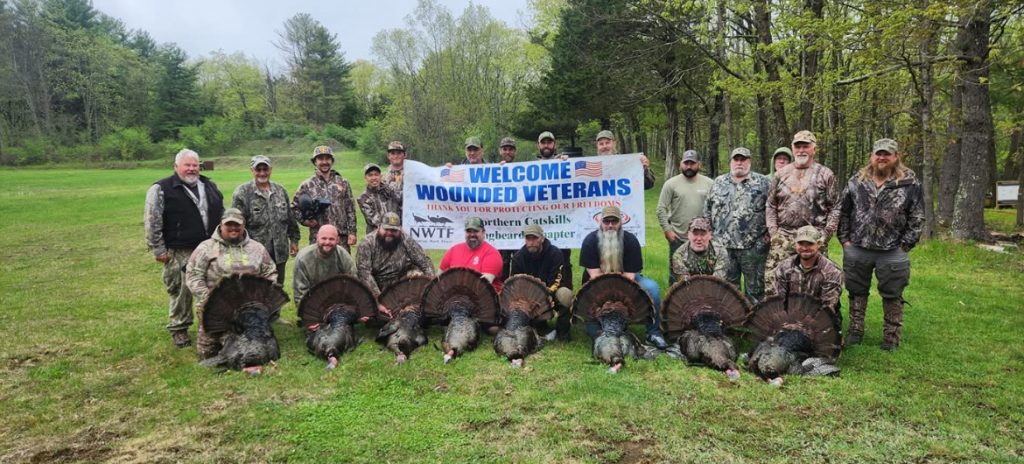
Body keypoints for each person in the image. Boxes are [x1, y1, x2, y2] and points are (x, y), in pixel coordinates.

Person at [838, 138, 923, 350]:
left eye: (887, 154)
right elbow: (843, 211)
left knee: (893, 293)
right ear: (872, 156)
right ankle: (856, 330)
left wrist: (906, 245)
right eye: (878, 153)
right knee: (856, 291)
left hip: (892, 249)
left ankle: (891, 336)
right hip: (858, 247)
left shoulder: (909, 182)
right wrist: (845, 240)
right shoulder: (857, 180)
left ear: (896, 157)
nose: (882, 157)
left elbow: (917, 216)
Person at [144, 148, 225, 348]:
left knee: (212, 286)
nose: (191, 169)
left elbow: (221, 213)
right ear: (176, 167)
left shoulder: (209, 186)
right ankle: (179, 328)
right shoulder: (162, 189)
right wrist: (158, 249)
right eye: (187, 165)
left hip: (208, 247)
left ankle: (212, 324)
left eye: (194, 165)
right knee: (181, 290)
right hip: (180, 250)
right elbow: (152, 220)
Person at [185, 208, 277, 359]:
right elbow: (193, 276)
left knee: (253, 352)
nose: (233, 228)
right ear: (221, 225)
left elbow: (270, 272)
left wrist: (263, 298)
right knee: (207, 354)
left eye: (237, 225)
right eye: (229, 224)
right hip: (214, 310)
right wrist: (209, 299)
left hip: (248, 308)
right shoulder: (206, 248)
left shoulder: (257, 248)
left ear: (243, 225)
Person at [578, 205, 667, 349]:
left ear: (621, 222)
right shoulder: (590, 241)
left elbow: (629, 278)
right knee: (595, 332)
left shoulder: (631, 241)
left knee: (652, 288)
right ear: (600, 222)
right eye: (607, 222)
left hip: (625, 281)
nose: (610, 225)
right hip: (596, 286)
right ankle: (597, 324)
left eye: (614, 221)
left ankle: (654, 332)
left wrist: (619, 299)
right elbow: (594, 277)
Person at [765, 130, 840, 295]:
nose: (801, 150)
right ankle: (775, 318)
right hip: (784, 237)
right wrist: (773, 232)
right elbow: (770, 205)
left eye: (805, 146)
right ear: (792, 148)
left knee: (815, 284)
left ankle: (817, 318)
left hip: (814, 238)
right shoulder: (780, 175)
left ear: (814, 149)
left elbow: (835, 206)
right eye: (797, 146)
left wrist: (825, 234)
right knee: (774, 284)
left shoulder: (826, 174)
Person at [703, 147, 770, 304]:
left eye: (743, 159)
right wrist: (709, 235)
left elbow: (774, 210)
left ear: (749, 161)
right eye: (736, 159)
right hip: (723, 247)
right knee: (727, 291)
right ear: (731, 161)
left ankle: (754, 324)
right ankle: (733, 324)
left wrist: (768, 236)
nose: (739, 162)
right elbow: (707, 210)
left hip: (753, 248)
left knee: (756, 291)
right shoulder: (718, 182)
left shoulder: (764, 183)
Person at [231, 155, 299, 286]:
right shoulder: (242, 193)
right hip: (255, 256)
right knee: (256, 291)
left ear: (271, 170)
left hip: (280, 253)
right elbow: (235, 225)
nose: (262, 173)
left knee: (277, 292)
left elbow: (290, 219)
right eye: (258, 169)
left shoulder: (280, 191)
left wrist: (294, 240)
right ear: (252, 170)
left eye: (265, 169)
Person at [656, 149, 714, 284]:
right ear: (680, 164)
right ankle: (674, 303)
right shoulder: (671, 184)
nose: (689, 166)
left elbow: (716, 208)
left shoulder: (710, 183)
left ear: (699, 165)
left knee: (704, 275)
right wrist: (667, 230)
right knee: (677, 276)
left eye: (692, 163)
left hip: (703, 239)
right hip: (678, 238)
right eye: (686, 163)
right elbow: (661, 209)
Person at [509, 224, 575, 341]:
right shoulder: (518, 257)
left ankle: (563, 331)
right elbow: (515, 284)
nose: (531, 242)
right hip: (529, 297)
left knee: (566, 295)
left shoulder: (555, 253)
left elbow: (556, 280)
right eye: (528, 239)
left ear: (542, 238)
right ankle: (539, 325)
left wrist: (544, 297)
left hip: (551, 291)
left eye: (535, 238)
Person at [772, 225, 844, 329]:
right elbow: (779, 300)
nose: (805, 248)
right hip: (791, 317)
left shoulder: (831, 271)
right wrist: (786, 321)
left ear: (818, 244)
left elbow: (827, 307)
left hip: (820, 319)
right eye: (801, 243)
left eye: (810, 244)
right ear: (795, 244)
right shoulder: (784, 267)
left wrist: (803, 325)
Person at [291, 145, 358, 251]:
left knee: (341, 266)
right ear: (315, 162)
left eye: (327, 158)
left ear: (332, 161)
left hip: (341, 237)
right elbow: (294, 207)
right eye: (320, 159)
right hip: (318, 238)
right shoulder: (307, 184)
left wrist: (352, 232)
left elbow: (350, 208)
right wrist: (305, 221)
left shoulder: (343, 182)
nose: (324, 162)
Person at [355, 212, 435, 300]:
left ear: (400, 230)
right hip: (376, 287)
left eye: (394, 230)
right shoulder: (367, 243)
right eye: (386, 229)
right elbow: (364, 274)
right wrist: (379, 299)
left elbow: (425, 262)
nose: (389, 233)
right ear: (378, 227)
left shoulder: (406, 240)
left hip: (402, 285)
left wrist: (432, 286)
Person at [292, 224, 356, 314]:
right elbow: (300, 293)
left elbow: (354, 283)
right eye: (324, 238)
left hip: (338, 302)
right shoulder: (303, 258)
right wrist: (308, 315)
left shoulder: (343, 255)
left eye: (331, 239)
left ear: (337, 240)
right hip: (314, 304)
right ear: (317, 237)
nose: (327, 242)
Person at [439, 217, 504, 293]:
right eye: (469, 231)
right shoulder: (453, 250)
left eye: (476, 231)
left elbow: (483, 286)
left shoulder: (492, 254)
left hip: (483, 300)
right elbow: (439, 279)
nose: (472, 234)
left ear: (483, 232)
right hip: (454, 297)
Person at [670, 217, 729, 281]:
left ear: (710, 235)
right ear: (688, 235)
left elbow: (717, 282)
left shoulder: (720, 252)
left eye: (703, 234)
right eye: (695, 234)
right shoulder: (679, 255)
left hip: (714, 288)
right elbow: (684, 284)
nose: (699, 239)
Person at [357, 163, 401, 234]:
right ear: (365, 178)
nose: (374, 178)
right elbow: (373, 220)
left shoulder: (390, 191)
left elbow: (400, 203)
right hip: (376, 235)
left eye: (376, 174)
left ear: (381, 176)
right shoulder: (363, 198)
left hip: (395, 233)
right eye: (370, 175)